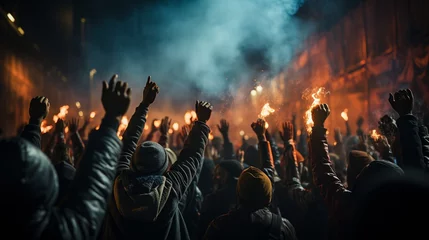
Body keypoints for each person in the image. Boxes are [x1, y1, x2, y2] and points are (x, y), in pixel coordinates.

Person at [0, 74, 131, 239]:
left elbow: (22, 164)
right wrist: (112, 119)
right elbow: (95, 179)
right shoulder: (60, 232)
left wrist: (34, 124)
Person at [101, 76, 213, 240]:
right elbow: (191, 156)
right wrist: (201, 122)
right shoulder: (170, 190)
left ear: (132, 162)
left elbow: (128, 142)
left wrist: (144, 105)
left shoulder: (118, 183)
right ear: (165, 167)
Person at [310, 102, 404, 239]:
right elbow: (394, 172)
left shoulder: (349, 206)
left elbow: (323, 171)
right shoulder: (402, 211)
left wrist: (318, 128)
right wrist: (390, 147)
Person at [204, 119, 297, 240]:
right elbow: (268, 170)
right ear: (268, 193)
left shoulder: (220, 226)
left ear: (239, 191)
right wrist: (262, 137)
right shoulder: (282, 227)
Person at [198, 159, 243, 239]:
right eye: (215, 174)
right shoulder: (246, 198)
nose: (215, 177)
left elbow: (202, 228)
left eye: (220, 174)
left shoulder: (213, 199)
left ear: (229, 176)